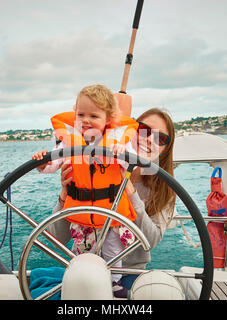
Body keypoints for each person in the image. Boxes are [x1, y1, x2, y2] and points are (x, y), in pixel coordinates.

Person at [48, 107, 177, 298]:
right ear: (129, 131)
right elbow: (56, 236)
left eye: (161, 138)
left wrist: (130, 193)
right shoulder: (90, 169)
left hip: (131, 273)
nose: (150, 139)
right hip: (83, 270)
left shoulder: (164, 190)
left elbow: (149, 241)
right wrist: (66, 195)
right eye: (144, 130)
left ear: (165, 149)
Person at [32, 84, 140, 292]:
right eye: (81, 114)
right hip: (80, 213)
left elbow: (130, 166)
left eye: (94, 115)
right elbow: (53, 165)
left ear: (108, 119)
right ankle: (81, 284)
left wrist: (121, 153)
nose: (86, 120)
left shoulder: (119, 141)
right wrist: (42, 164)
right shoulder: (68, 143)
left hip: (110, 214)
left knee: (112, 250)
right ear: (74, 114)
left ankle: (114, 282)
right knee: (81, 254)